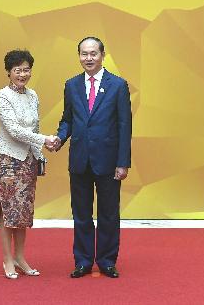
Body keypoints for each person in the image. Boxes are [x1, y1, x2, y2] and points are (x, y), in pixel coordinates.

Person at [48, 36, 132, 279]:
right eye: (84, 54)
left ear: (102, 55)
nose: (89, 58)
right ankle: (83, 261)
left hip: (108, 162)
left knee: (108, 214)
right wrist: (60, 138)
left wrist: (123, 162)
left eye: (93, 53)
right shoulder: (71, 85)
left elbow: (124, 126)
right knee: (81, 214)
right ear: (79, 57)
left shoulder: (118, 85)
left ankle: (106, 261)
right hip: (80, 160)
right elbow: (68, 119)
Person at [0, 49, 57, 279]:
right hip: (8, 160)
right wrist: (43, 139)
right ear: (9, 72)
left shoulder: (33, 95)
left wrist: (40, 152)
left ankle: (20, 257)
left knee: (22, 212)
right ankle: (7, 259)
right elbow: (14, 130)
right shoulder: (2, 96)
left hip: (28, 161)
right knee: (7, 212)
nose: (22, 74)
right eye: (17, 70)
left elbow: (34, 129)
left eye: (26, 69)